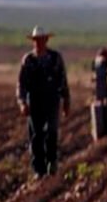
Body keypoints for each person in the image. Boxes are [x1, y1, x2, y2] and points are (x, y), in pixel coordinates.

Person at [16, 26, 70, 179]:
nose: (39, 42)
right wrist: (22, 103)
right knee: (36, 134)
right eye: (36, 40)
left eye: (41, 39)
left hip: (52, 100)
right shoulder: (28, 60)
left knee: (52, 131)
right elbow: (21, 84)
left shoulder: (55, 58)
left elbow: (62, 80)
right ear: (33, 41)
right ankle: (38, 169)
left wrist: (66, 100)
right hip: (34, 101)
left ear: (46, 40)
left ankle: (52, 164)